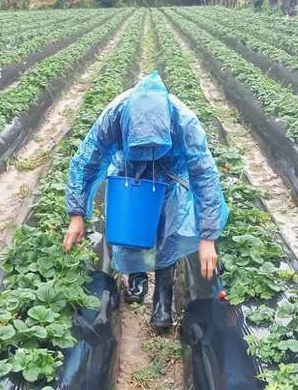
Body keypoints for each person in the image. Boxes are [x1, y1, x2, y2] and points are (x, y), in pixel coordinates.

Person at [63, 71, 229, 332]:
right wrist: (76, 213)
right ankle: (137, 278)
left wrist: (207, 237)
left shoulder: (184, 122)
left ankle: (163, 300)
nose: (147, 153)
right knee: (132, 224)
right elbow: (86, 162)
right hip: (128, 170)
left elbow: (204, 176)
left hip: (169, 174)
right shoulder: (114, 116)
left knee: (167, 230)